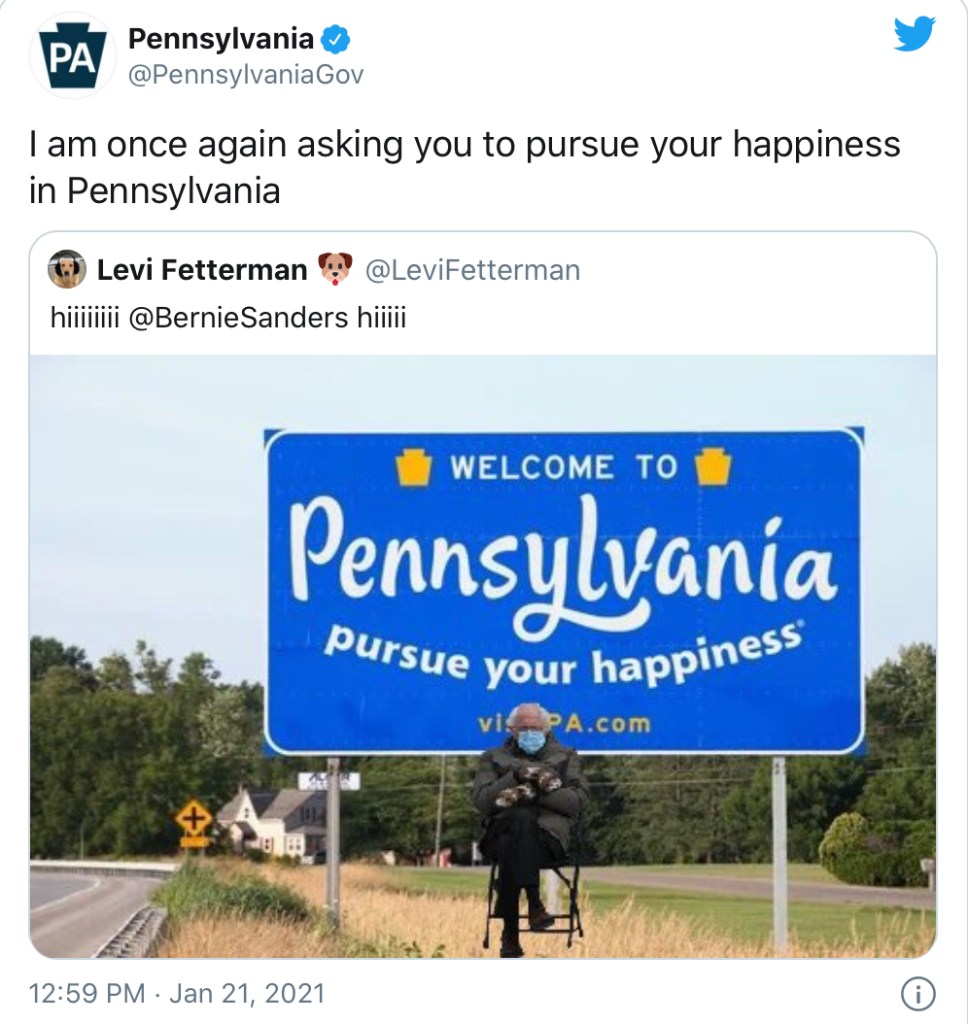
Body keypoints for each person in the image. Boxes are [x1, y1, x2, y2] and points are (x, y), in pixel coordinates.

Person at [472, 702, 589, 958]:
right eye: (523, 728)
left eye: (535, 728)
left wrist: (528, 791)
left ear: (546, 729)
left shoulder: (566, 755)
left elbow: (575, 803)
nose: (529, 733)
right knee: (517, 821)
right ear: (511, 729)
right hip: (498, 835)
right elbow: (482, 802)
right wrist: (515, 776)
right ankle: (534, 904)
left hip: (548, 839)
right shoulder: (492, 757)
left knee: (518, 821)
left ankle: (510, 934)